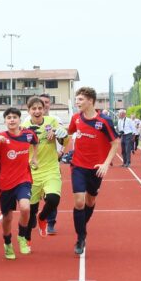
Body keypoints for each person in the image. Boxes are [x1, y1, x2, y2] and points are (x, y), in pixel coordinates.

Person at [67, 87, 119, 255]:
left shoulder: (104, 121)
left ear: (90, 101)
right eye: (77, 99)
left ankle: (82, 226)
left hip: (96, 168)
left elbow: (115, 143)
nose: (77, 102)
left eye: (80, 99)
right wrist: (59, 137)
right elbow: (68, 133)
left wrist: (105, 164)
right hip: (78, 165)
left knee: (90, 202)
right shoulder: (75, 118)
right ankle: (80, 237)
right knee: (79, 202)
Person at [0, 107, 38, 259]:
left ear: (20, 119)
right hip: (6, 183)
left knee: (26, 208)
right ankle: (7, 243)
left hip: (24, 179)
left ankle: (22, 236)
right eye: (9, 118)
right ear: (5, 121)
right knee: (7, 217)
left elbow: (35, 142)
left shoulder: (28, 134)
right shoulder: (1, 137)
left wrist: (34, 158)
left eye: (14, 117)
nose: (12, 120)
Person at [21, 97, 67, 247]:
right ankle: (27, 238)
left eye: (39, 108)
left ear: (44, 109)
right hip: (32, 170)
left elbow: (64, 140)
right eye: (33, 108)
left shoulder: (52, 122)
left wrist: (61, 135)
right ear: (28, 111)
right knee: (31, 209)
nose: (37, 111)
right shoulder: (24, 126)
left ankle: (43, 218)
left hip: (51, 168)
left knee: (54, 199)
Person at [38, 93, 64, 235]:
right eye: (41, 102)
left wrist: (61, 151)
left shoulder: (55, 119)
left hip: (52, 162)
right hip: (34, 164)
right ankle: (34, 220)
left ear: (50, 104)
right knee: (33, 196)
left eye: (46, 102)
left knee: (52, 195)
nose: (44, 104)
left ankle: (51, 222)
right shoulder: (28, 120)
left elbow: (63, 137)